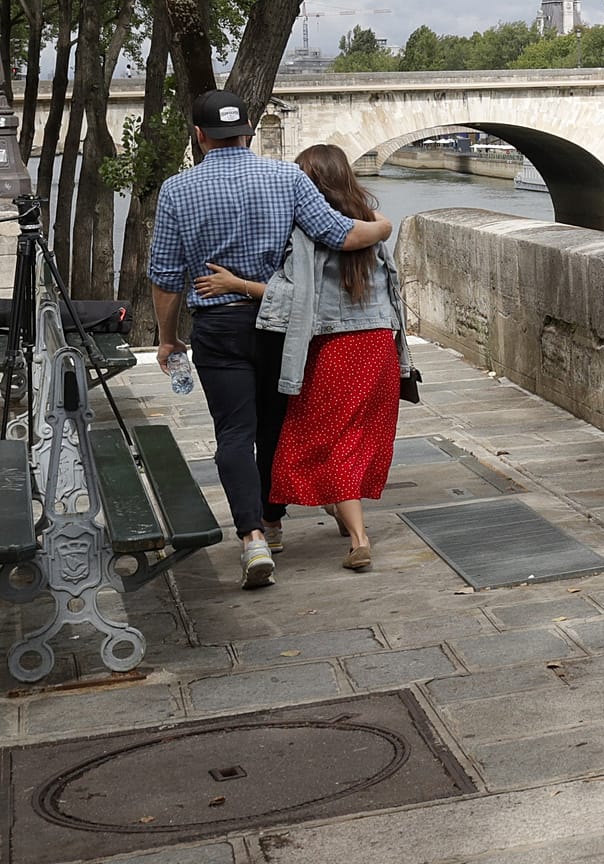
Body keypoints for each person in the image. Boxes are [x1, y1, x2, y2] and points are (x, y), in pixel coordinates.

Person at [149, 90, 392, 590]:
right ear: (249, 132)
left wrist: (168, 338)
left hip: (218, 327)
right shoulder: (286, 178)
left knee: (234, 433)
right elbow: (339, 235)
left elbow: (165, 278)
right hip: (279, 323)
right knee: (277, 425)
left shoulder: (177, 190)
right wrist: (382, 227)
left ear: (199, 135)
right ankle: (275, 521)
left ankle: (252, 538)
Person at [195, 144, 406, 573]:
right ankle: (338, 513)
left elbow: (293, 298)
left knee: (329, 440)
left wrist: (238, 283)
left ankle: (358, 538)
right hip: (380, 347)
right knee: (359, 436)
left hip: (335, 351)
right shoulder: (370, 224)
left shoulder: (308, 236)